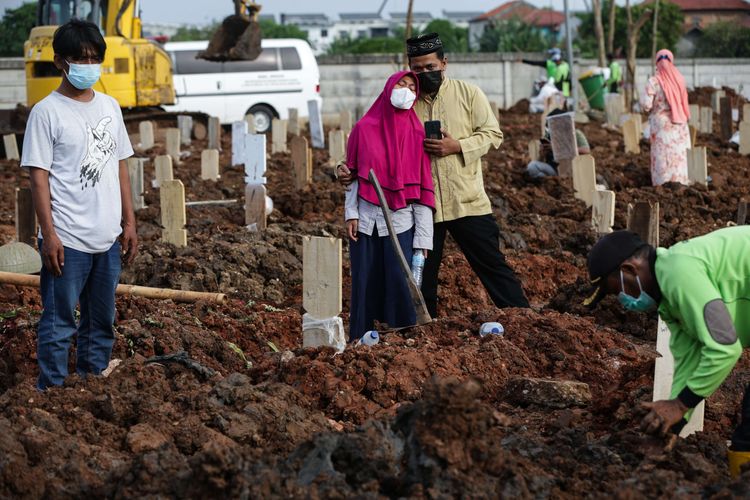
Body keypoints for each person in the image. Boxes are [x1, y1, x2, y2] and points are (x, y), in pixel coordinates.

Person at [338, 33, 529, 317]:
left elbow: (493, 134)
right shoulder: (403, 101)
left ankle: (524, 318)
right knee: (421, 274)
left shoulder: (468, 94)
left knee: (493, 265)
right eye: (417, 69)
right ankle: (425, 332)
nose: (425, 74)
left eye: (430, 67)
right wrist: (342, 167)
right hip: (421, 207)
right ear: (409, 68)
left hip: (467, 200)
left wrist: (458, 146)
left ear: (444, 63)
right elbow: (372, 137)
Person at [21, 19, 137, 390]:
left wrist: (129, 223)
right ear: (60, 61)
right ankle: (52, 392)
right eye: (79, 59)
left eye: (94, 58)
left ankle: (91, 384)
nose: (88, 66)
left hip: (107, 238)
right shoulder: (47, 112)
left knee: (100, 322)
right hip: (67, 239)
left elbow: (120, 167)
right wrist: (49, 235)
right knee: (58, 323)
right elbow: (38, 179)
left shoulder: (110, 106)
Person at [583, 227, 750, 477]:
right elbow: (688, 363)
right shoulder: (669, 302)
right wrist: (671, 428)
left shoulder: (679, 272)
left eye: (614, 289)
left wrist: (679, 405)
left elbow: (725, 347)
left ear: (629, 270)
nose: (620, 299)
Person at [344, 70, 435, 342]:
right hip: (365, 219)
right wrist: (350, 214)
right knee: (364, 281)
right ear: (388, 88)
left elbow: (423, 191)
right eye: (401, 84)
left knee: (400, 283)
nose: (406, 90)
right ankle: (362, 339)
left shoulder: (418, 133)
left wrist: (423, 242)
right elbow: (352, 175)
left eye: (411, 87)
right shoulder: (363, 128)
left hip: (401, 222)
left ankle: (399, 338)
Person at [640, 49, 691, 186]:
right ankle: (681, 184)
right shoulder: (680, 80)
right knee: (680, 158)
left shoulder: (653, 82)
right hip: (681, 125)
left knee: (663, 157)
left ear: (656, 63)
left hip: (662, 126)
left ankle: (662, 187)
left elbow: (646, 105)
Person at [526, 108, 590, 179]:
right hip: (554, 169)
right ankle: (551, 182)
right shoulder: (549, 136)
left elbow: (586, 150)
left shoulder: (575, 133)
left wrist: (556, 148)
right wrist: (543, 154)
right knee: (532, 167)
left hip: (572, 169)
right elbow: (542, 159)